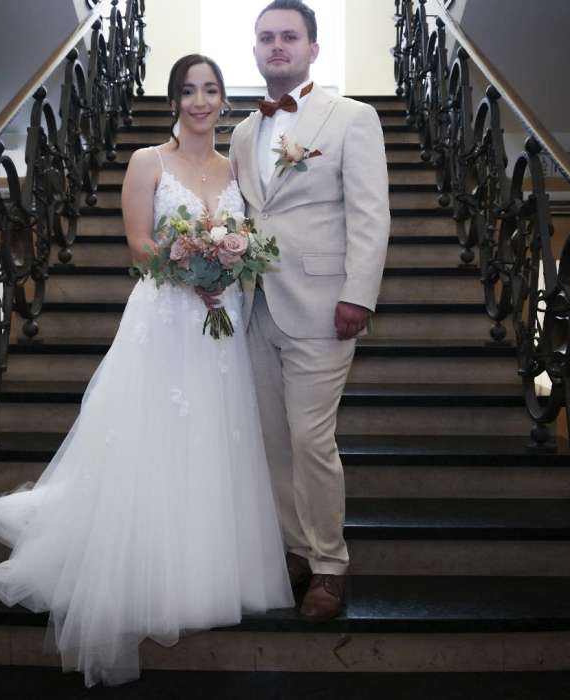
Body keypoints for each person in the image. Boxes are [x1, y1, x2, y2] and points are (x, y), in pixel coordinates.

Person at [0, 54, 293, 688]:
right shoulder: (147, 162)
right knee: (154, 436)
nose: (199, 101)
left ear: (224, 100)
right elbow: (138, 243)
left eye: (210, 90)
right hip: (167, 315)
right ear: (173, 101)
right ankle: (142, 567)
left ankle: (207, 570)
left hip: (221, 318)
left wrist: (226, 265)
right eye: (187, 90)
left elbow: (250, 236)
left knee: (214, 439)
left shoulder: (236, 169)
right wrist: (191, 268)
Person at [228, 0, 391, 620]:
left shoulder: (352, 118)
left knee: (311, 438)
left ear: (312, 49)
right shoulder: (243, 132)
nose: (277, 46)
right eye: (266, 37)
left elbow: (370, 212)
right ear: (255, 50)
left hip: (324, 306)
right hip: (255, 305)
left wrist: (358, 294)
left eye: (289, 37)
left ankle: (329, 564)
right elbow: (250, 214)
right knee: (272, 439)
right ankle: (295, 549)